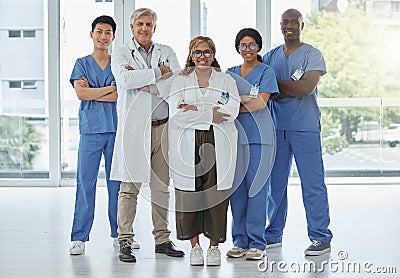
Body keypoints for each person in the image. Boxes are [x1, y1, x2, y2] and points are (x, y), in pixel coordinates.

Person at [110, 8, 184, 263]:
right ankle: (125, 241)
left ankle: (162, 240)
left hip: (163, 127)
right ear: (132, 27)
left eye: (149, 24)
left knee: (161, 187)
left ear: (155, 27)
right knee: (129, 188)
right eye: (140, 23)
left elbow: (176, 82)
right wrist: (157, 74)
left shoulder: (167, 51)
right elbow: (124, 78)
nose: (144, 28)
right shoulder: (120, 52)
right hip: (135, 127)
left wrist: (145, 83)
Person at [263, 8, 333, 256]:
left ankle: (320, 237)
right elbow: (262, 87)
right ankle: (273, 234)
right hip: (277, 127)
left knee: (313, 184)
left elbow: (305, 88)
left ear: (302, 25)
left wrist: (275, 84)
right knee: (275, 185)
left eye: (294, 21)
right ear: (280, 26)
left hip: (305, 127)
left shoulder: (312, 54)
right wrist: (284, 86)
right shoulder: (270, 56)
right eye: (285, 22)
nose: (289, 25)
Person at [167, 36, 240, 266]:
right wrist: (209, 113)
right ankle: (195, 247)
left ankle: (214, 247)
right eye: (197, 52)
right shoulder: (180, 80)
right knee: (189, 195)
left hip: (218, 142)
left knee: (215, 195)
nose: (202, 57)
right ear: (191, 54)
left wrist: (194, 109)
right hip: (187, 143)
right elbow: (177, 115)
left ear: (213, 54)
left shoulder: (226, 80)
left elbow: (231, 111)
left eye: (207, 52)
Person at [226, 28, 279, 260]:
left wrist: (235, 104)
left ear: (259, 47)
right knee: (237, 190)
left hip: (260, 140)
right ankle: (240, 241)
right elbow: (221, 99)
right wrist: (246, 99)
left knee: (256, 190)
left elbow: (260, 104)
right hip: (234, 139)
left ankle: (257, 243)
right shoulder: (229, 73)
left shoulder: (267, 72)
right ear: (238, 48)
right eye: (243, 46)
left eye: (252, 45)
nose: (247, 50)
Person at [69, 15, 120, 255]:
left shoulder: (118, 63)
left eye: (107, 32)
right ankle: (79, 237)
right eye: (99, 31)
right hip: (90, 130)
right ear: (91, 34)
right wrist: (108, 88)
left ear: (113, 36)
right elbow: (81, 95)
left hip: (114, 129)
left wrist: (93, 90)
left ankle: (120, 234)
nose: (103, 36)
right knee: (85, 183)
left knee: (116, 185)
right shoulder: (81, 63)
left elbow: (119, 95)